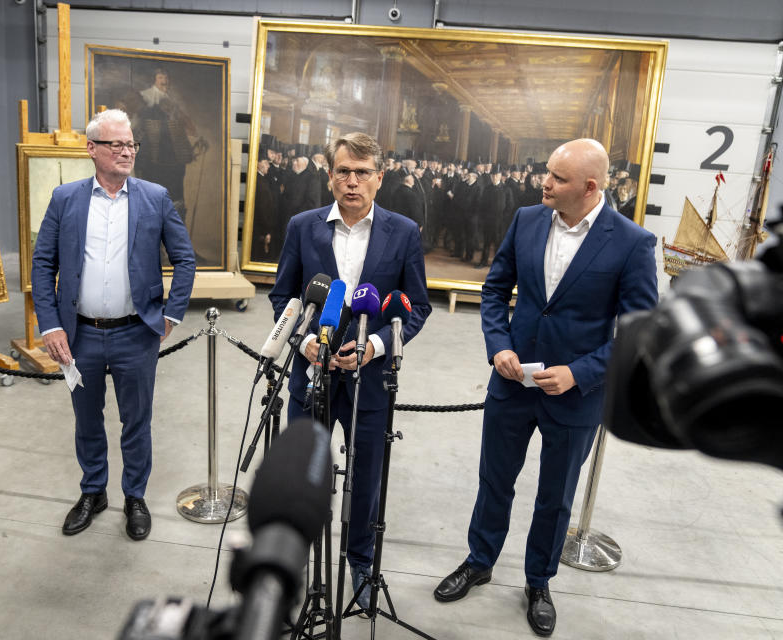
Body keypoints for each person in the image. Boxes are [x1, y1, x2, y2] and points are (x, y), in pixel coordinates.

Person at [433, 139, 657, 637]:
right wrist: (498, 346)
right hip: (512, 382)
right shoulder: (527, 219)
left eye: (557, 177)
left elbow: (640, 329)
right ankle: (480, 559)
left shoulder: (631, 242)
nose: (544, 182)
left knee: (556, 496)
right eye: (547, 173)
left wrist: (581, 372)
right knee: (494, 478)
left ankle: (539, 582)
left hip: (576, 396)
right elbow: (495, 290)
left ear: (590, 187)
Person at [269, 132, 431, 611]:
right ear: (330, 175)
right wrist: (301, 344)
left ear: (380, 178)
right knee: (302, 477)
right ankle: (291, 565)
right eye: (343, 171)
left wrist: (376, 345)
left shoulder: (403, 232)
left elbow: (416, 306)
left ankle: (360, 561)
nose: (353, 181)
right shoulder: (303, 226)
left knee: (365, 476)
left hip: (370, 379)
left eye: (363, 173)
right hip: (311, 375)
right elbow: (284, 296)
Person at [32, 109, 196, 542]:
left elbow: (185, 258)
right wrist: (50, 325)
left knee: (135, 422)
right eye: (116, 144)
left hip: (135, 333)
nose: (127, 152)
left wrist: (172, 313)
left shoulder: (155, 197)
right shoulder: (65, 198)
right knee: (87, 421)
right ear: (92, 149)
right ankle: (93, 492)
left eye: (131, 145)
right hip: (79, 335)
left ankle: (135, 497)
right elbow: (43, 262)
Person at [134, 68, 207, 227]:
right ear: (154, 79)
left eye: (166, 77)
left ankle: (177, 238)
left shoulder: (173, 102)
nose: (164, 81)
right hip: (151, 160)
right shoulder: (144, 98)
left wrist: (197, 138)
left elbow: (187, 125)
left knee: (176, 198)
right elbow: (136, 128)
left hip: (175, 159)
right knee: (151, 199)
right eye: (161, 77)